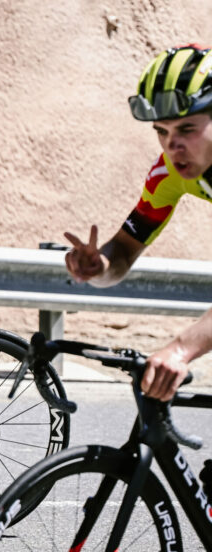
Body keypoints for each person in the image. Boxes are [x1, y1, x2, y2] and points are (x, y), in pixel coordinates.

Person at [64, 44, 212, 402]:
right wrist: (99, 266)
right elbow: (125, 252)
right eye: (161, 131)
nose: (172, 145)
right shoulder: (169, 175)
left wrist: (180, 349)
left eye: (187, 128)